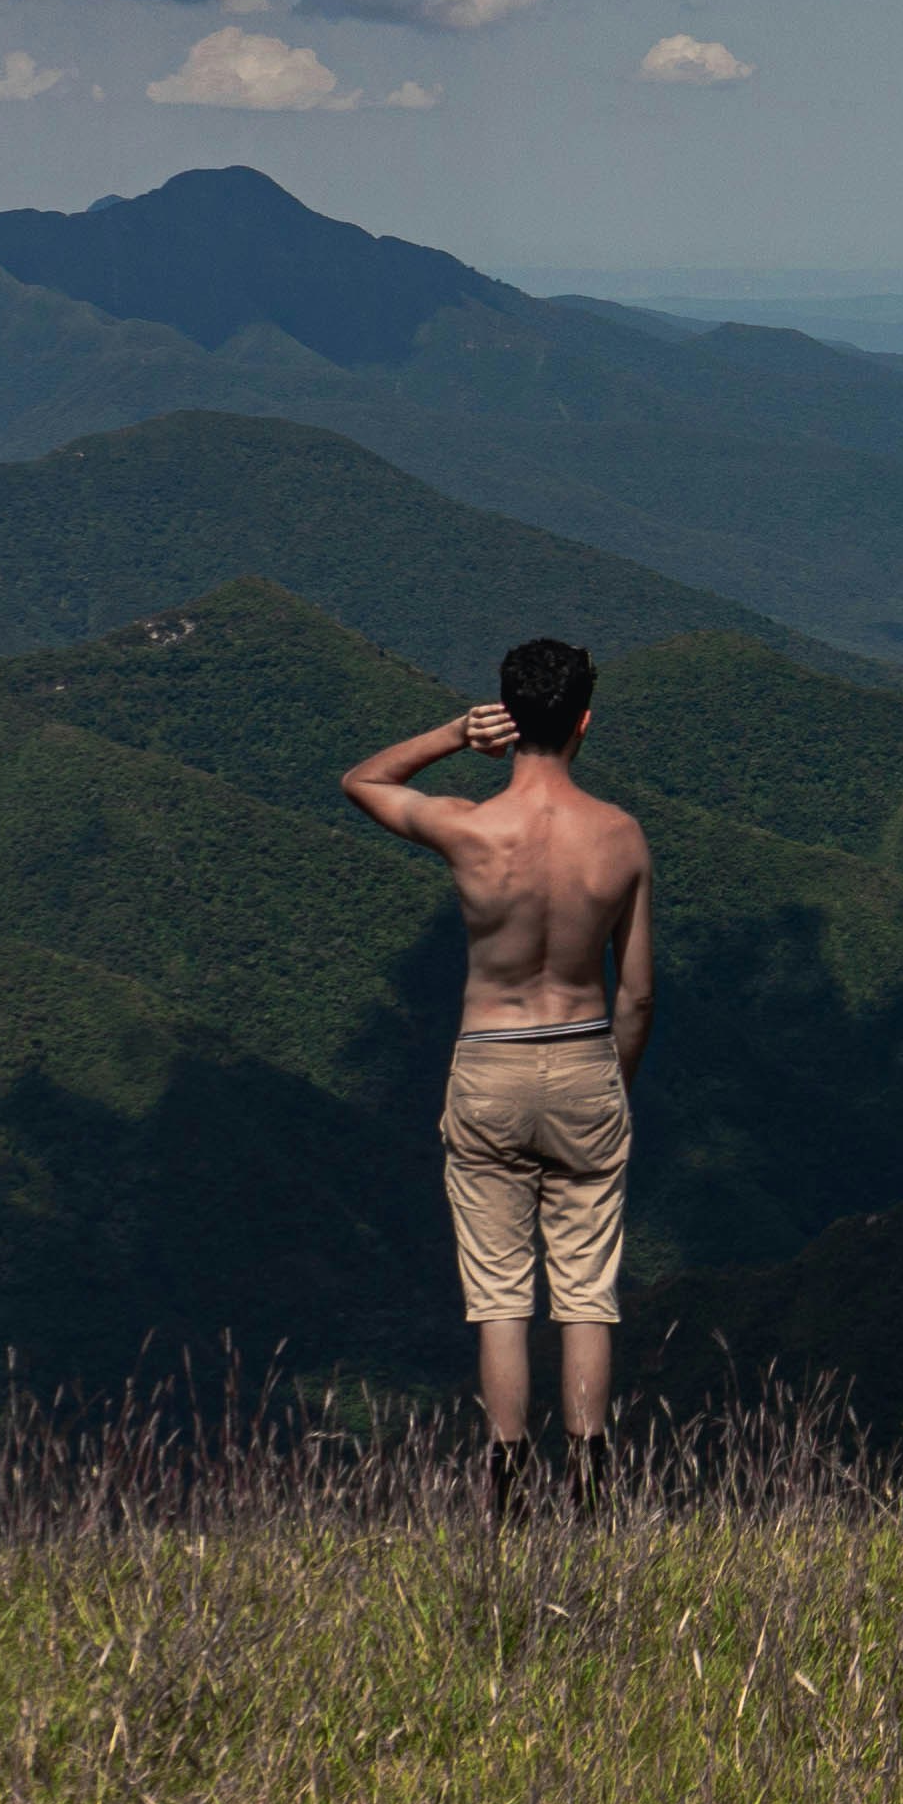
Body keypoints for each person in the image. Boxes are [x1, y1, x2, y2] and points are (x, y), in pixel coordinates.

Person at [343, 637, 655, 1518]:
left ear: (507, 720)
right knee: (588, 1290)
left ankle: (509, 1492)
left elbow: (362, 783)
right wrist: (613, 1086)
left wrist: (450, 734)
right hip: (587, 1052)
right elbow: (638, 992)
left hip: (489, 1063)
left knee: (500, 1294)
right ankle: (592, 1491)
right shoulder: (621, 836)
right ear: (586, 721)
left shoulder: (472, 829)